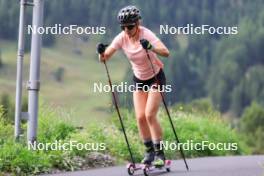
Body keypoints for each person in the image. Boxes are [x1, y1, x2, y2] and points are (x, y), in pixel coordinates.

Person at [98, 5, 170, 166]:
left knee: (150, 115)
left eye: (130, 26)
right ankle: (149, 152)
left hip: (156, 77)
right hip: (139, 80)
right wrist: (101, 52)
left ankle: (160, 154)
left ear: (137, 23)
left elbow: (166, 52)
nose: (126, 30)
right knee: (140, 117)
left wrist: (150, 47)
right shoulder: (122, 37)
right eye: (123, 27)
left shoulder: (146, 34)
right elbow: (104, 58)